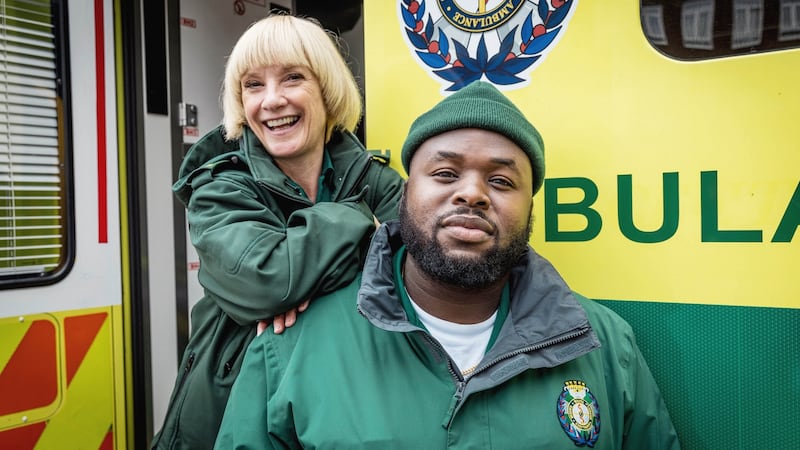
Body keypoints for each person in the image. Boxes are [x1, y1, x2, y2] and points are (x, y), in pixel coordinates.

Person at [214, 80, 681, 449]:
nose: (472, 193)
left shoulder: (604, 347)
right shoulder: (290, 349)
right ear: (405, 193)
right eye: (444, 174)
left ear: (530, 208)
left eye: (501, 180)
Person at [151, 14, 404, 450]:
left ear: (326, 88)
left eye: (292, 78)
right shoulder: (220, 185)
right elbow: (266, 281)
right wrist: (360, 223)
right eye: (253, 85)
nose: (271, 100)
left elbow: (417, 268)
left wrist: (307, 270)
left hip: (352, 403)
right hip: (225, 413)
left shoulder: (372, 176)